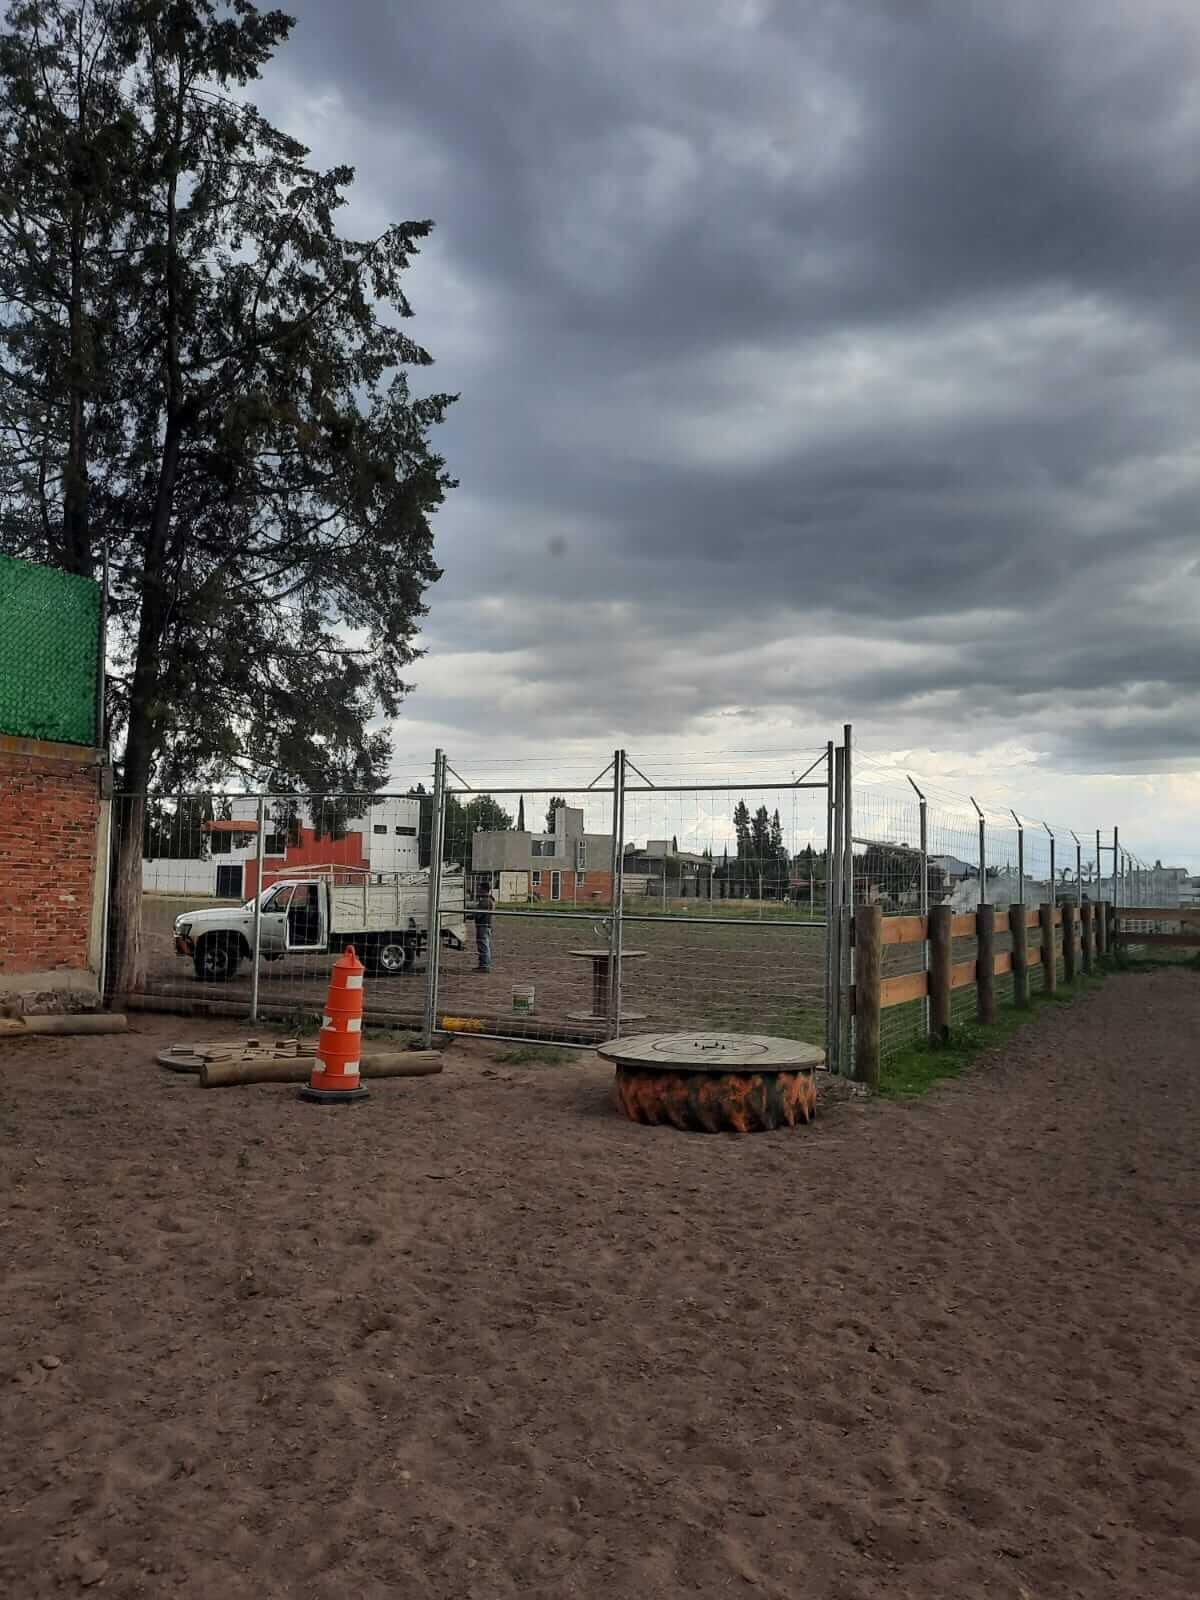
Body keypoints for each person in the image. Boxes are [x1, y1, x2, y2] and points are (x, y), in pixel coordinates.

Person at [471, 879, 496, 972]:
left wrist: (468, 915)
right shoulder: (490, 900)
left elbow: (477, 914)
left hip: (483, 926)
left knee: (483, 945)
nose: (478, 890)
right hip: (487, 925)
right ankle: (484, 965)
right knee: (485, 945)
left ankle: (484, 966)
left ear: (484, 889)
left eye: (480, 888)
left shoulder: (485, 901)